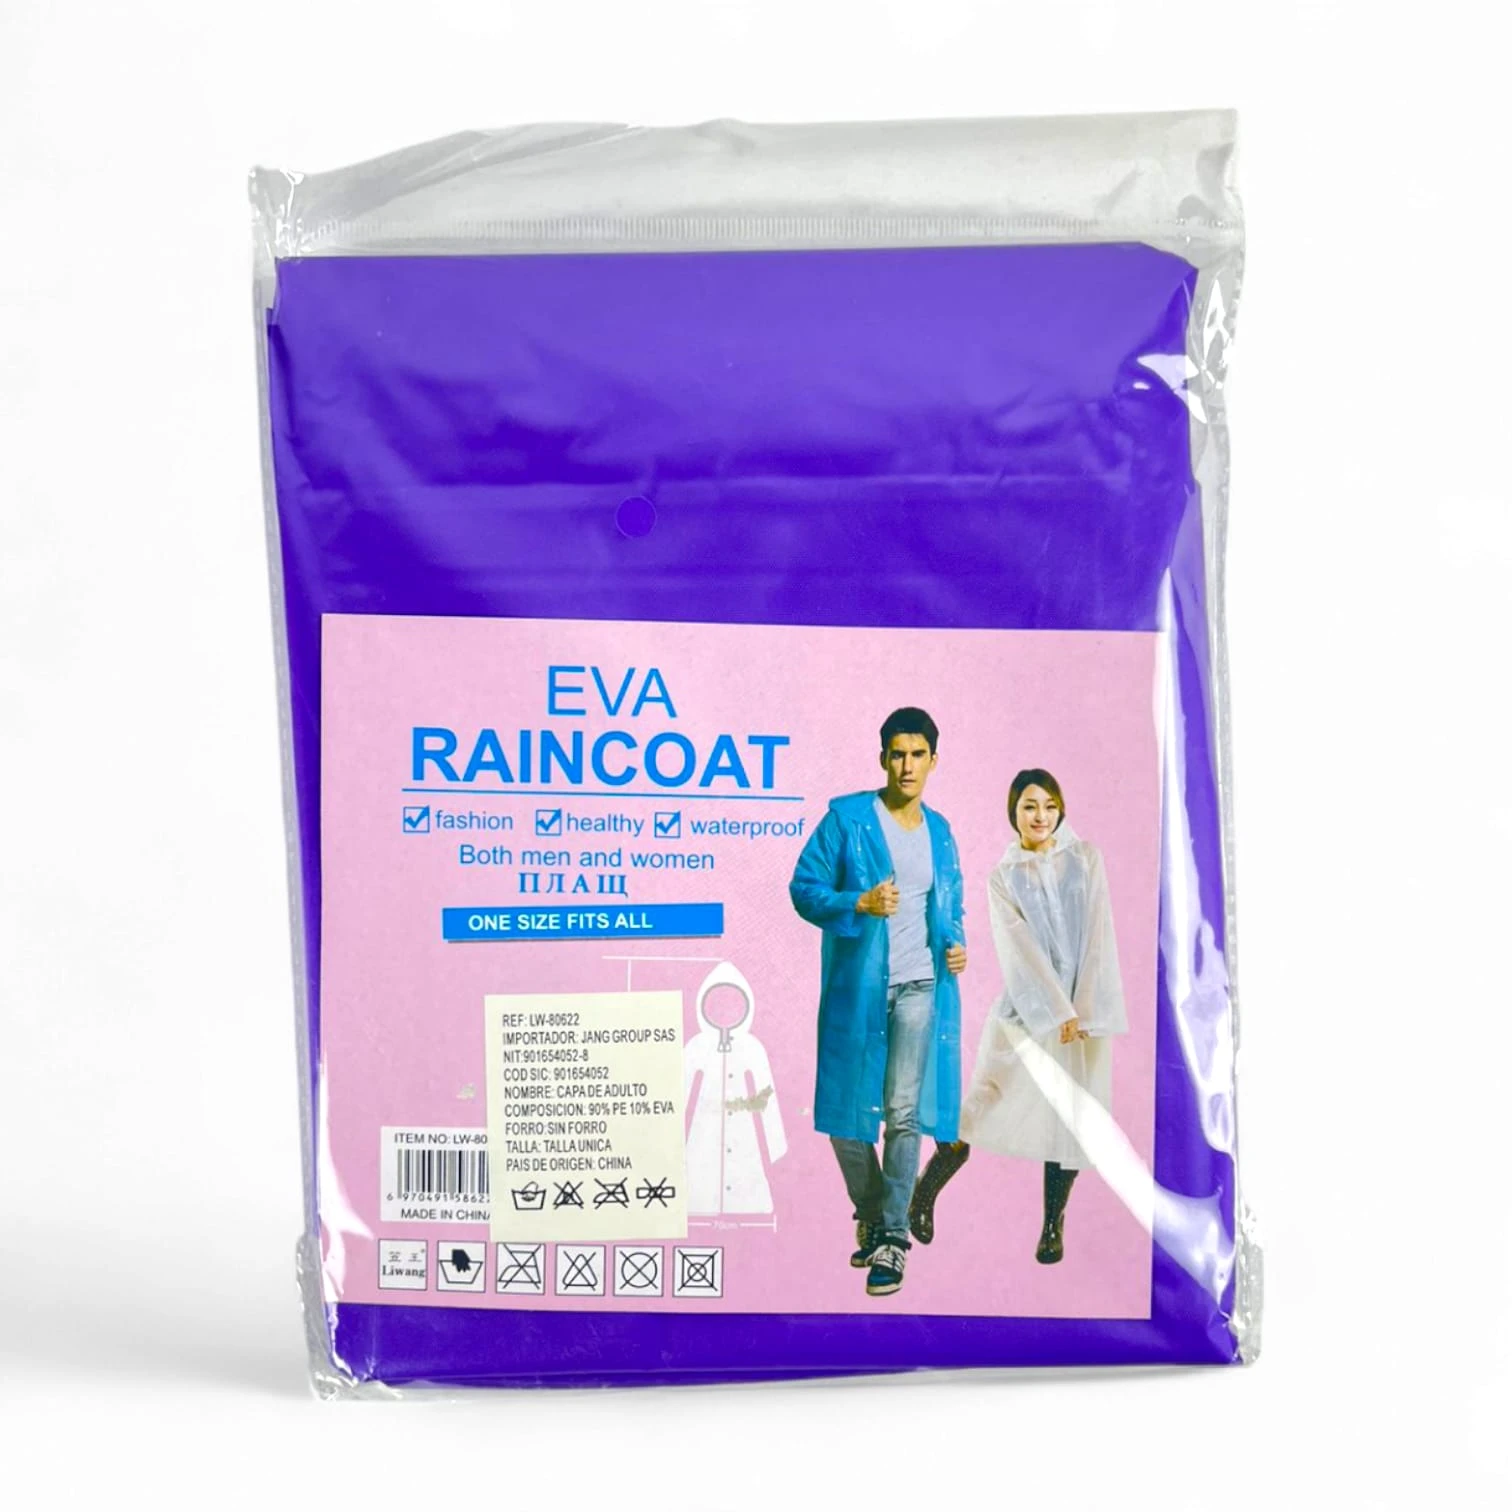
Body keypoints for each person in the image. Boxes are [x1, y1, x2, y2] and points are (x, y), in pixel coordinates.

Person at [908, 768, 1126, 1264]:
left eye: (1049, 805)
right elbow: (1019, 949)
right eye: (1030, 806)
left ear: (1060, 809)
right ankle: (924, 1191)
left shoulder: (1086, 859)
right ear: (1014, 813)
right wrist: (1056, 1010)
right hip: (1027, 1008)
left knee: (1070, 1118)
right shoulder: (1004, 877)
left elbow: (1098, 934)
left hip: (1084, 1014)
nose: (1040, 816)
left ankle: (1052, 1225)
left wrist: (1082, 1010)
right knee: (986, 1096)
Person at [789, 707, 967, 1297]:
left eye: (918, 755)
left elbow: (950, 905)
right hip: (860, 988)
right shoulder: (847, 820)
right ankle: (870, 1210)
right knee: (845, 1117)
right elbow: (804, 888)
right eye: (897, 754)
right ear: (882, 758)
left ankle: (892, 1236)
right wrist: (857, 903)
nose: (907, 765)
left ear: (933, 760)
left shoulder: (940, 831)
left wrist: (956, 945)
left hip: (920, 985)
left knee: (903, 1112)